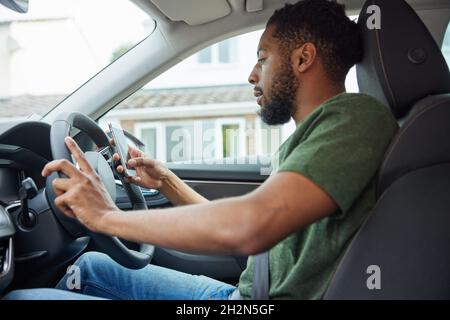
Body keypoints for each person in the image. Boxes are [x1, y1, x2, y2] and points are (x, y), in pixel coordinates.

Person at [3, 0, 398, 300]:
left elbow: (249, 226)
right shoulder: (318, 133)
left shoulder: (355, 118)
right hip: (247, 296)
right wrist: (167, 182)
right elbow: (258, 237)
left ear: (303, 58)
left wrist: (104, 216)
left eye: (263, 57)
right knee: (88, 265)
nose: (252, 74)